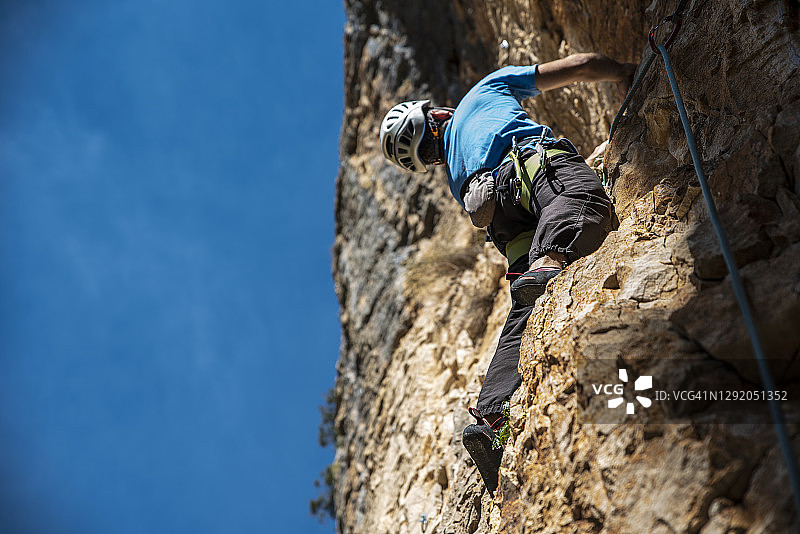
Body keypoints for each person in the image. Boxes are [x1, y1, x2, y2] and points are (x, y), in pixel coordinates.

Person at [379, 53, 636, 495]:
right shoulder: (482, 91)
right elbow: (579, 66)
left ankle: (492, 415)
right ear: (435, 113)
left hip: (498, 217)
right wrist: (625, 72)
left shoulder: (453, 170)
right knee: (581, 199)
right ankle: (551, 260)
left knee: (523, 306)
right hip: (526, 169)